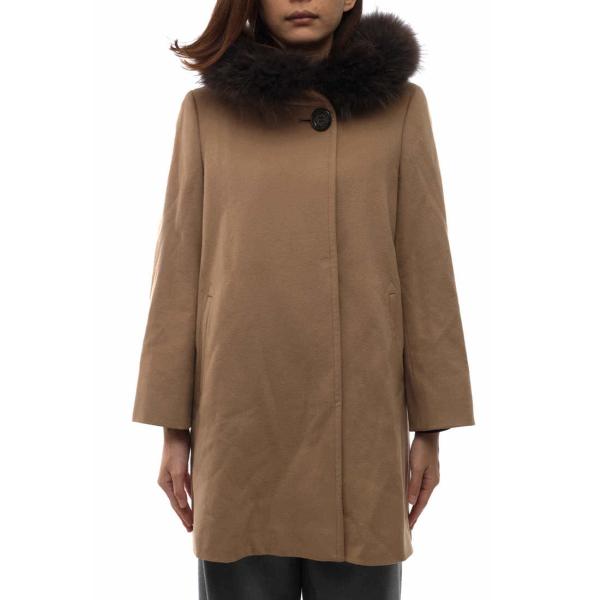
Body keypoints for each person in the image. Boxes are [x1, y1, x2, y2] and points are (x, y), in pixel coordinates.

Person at [132, 1, 475, 598]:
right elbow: (179, 275)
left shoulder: (400, 108)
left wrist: (432, 428)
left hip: (360, 424)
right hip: (240, 417)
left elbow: (426, 270)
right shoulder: (207, 112)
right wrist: (172, 429)